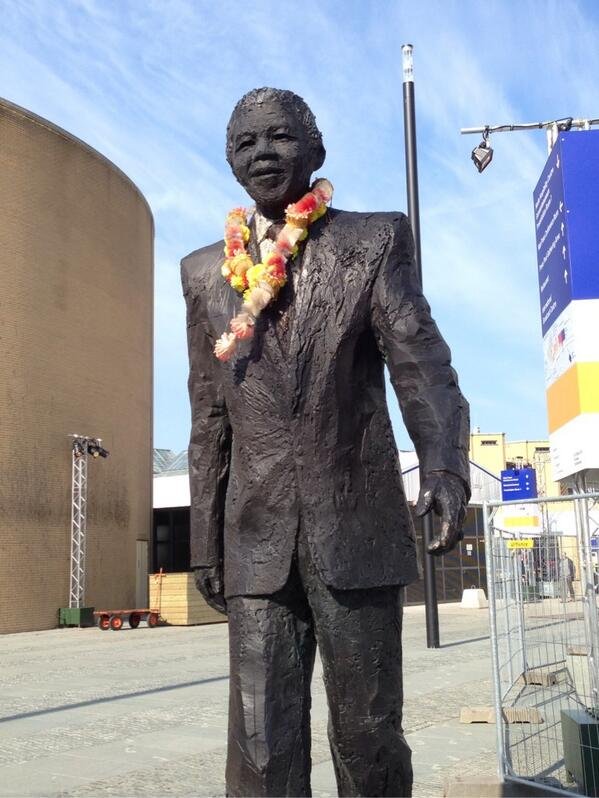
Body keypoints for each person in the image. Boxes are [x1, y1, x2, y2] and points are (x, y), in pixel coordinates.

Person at [182, 87, 470, 798]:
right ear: (229, 161)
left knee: (367, 733)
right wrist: (203, 540)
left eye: (278, 137)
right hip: (254, 538)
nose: (262, 153)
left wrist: (443, 466)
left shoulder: (371, 241)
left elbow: (420, 365)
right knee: (259, 741)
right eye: (245, 144)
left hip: (356, 521)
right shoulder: (201, 274)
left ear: (314, 151)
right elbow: (207, 419)